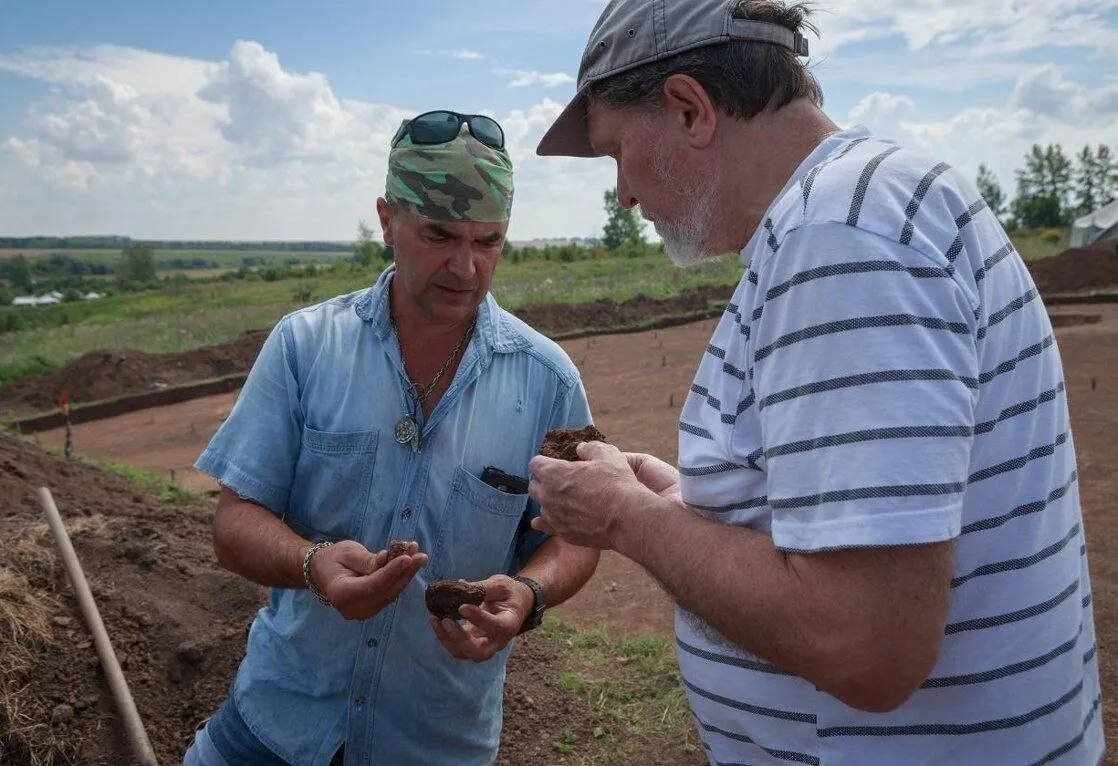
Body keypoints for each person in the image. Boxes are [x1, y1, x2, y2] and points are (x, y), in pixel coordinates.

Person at [527, 1, 1106, 764]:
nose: (623, 195)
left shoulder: (838, 240)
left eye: (616, 151)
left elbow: (866, 643)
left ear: (690, 108)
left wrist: (627, 519)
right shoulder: (869, 204)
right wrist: (685, 503)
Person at [183, 110, 600, 766]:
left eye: (488, 241)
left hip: (437, 742)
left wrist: (528, 595)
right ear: (386, 219)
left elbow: (574, 538)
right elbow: (234, 524)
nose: (465, 266)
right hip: (276, 725)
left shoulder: (547, 381)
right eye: (439, 234)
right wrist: (313, 565)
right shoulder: (305, 347)